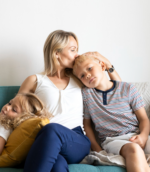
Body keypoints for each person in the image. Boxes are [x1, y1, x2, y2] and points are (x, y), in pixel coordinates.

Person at [19, 30, 121, 172]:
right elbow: (14, 111)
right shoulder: (35, 80)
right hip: (46, 140)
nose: (77, 54)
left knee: (52, 129)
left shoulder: (80, 79)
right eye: (73, 50)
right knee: (58, 165)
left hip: (76, 140)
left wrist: (107, 63)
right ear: (56, 53)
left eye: (77, 50)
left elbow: (117, 90)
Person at [72, 54, 150, 172]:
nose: (87, 75)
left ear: (102, 66)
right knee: (134, 149)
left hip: (136, 135)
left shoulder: (128, 88)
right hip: (113, 141)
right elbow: (86, 125)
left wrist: (143, 137)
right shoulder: (87, 95)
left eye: (89, 68)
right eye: (82, 75)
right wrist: (97, 149)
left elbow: (143, 119)